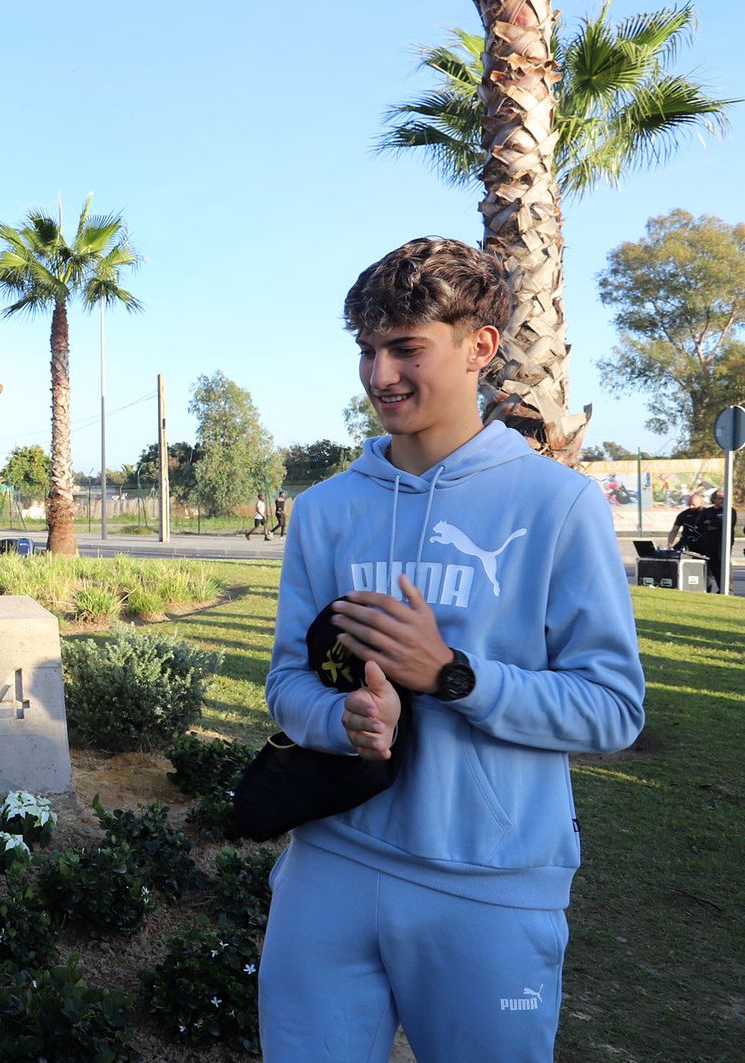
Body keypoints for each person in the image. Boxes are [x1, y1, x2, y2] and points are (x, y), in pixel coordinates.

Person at [257, 237, 645, 1062]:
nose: (378, 374)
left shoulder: (560, 505)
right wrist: (345, 718)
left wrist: (453, 675)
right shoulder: (324, 511)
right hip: (327, 866)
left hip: (490, 891)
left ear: (480, 347)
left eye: (405, 347)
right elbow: (287, 680)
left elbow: (614, 709)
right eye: (367, 349)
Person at [696, 488, 738, 593]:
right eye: (720, 498)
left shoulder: (730, 511)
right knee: (714, 568)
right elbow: (700, 525)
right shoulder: (707, 511)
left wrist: (712, 524)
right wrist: (715, 524)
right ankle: (720, 589)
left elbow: (727, 524)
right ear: (714, 499)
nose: (722, 500)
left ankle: (728, 590)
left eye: (725, 498)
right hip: (709, 544)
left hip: (724, 544)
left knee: (724, 566)